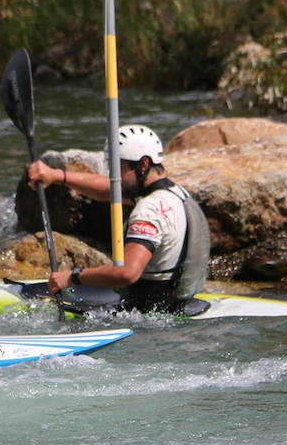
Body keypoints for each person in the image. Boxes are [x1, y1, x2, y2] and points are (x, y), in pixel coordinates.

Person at [26, 124, 210, 314]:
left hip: (146, 309)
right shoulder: (174, 194)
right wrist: (57, 175)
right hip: (180, 300)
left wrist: (73, 277)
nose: (113, 176)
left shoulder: (149, 210)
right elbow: (108, 189)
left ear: (143, 164)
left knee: (36, 293)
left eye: (117, 168)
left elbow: (127, 273)